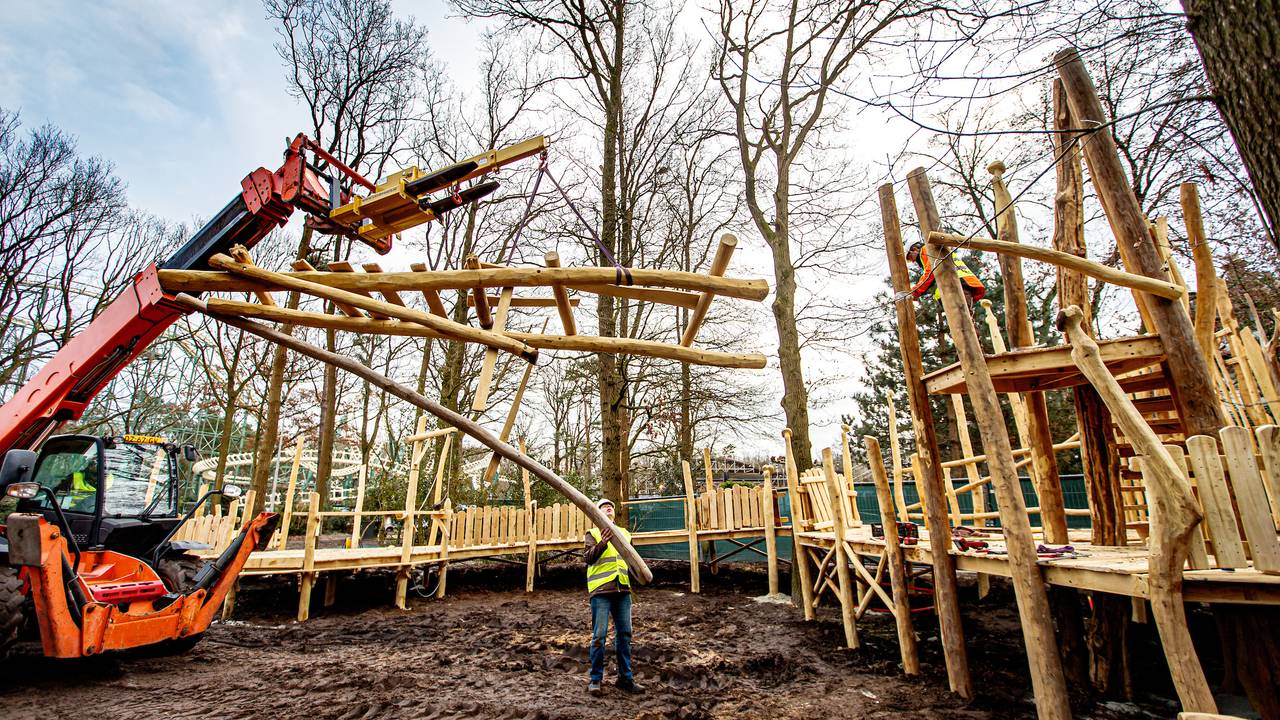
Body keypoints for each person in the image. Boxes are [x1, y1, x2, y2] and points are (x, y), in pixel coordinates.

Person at [583, 497, 644, 695]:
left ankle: (625, 679)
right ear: (597, 513)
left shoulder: (625, 534)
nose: (608, 507)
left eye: (610, 506)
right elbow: (588, 558)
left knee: (625, 635)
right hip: (601, 591)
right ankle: (595, 680)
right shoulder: (592, 533)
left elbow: (632, 561)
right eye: (603, 506)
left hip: (623, 590)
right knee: (599, 636)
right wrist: (603, 542)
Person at [898, 241, 986, 309]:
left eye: (910, 257)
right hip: (961, 284)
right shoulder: (935, 249)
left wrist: (915, 292)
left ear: (915, 249)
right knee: (964, 319)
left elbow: (930, 271)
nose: (913, 261)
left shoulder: (927, 250)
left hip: (957, 284)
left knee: (962, 319)